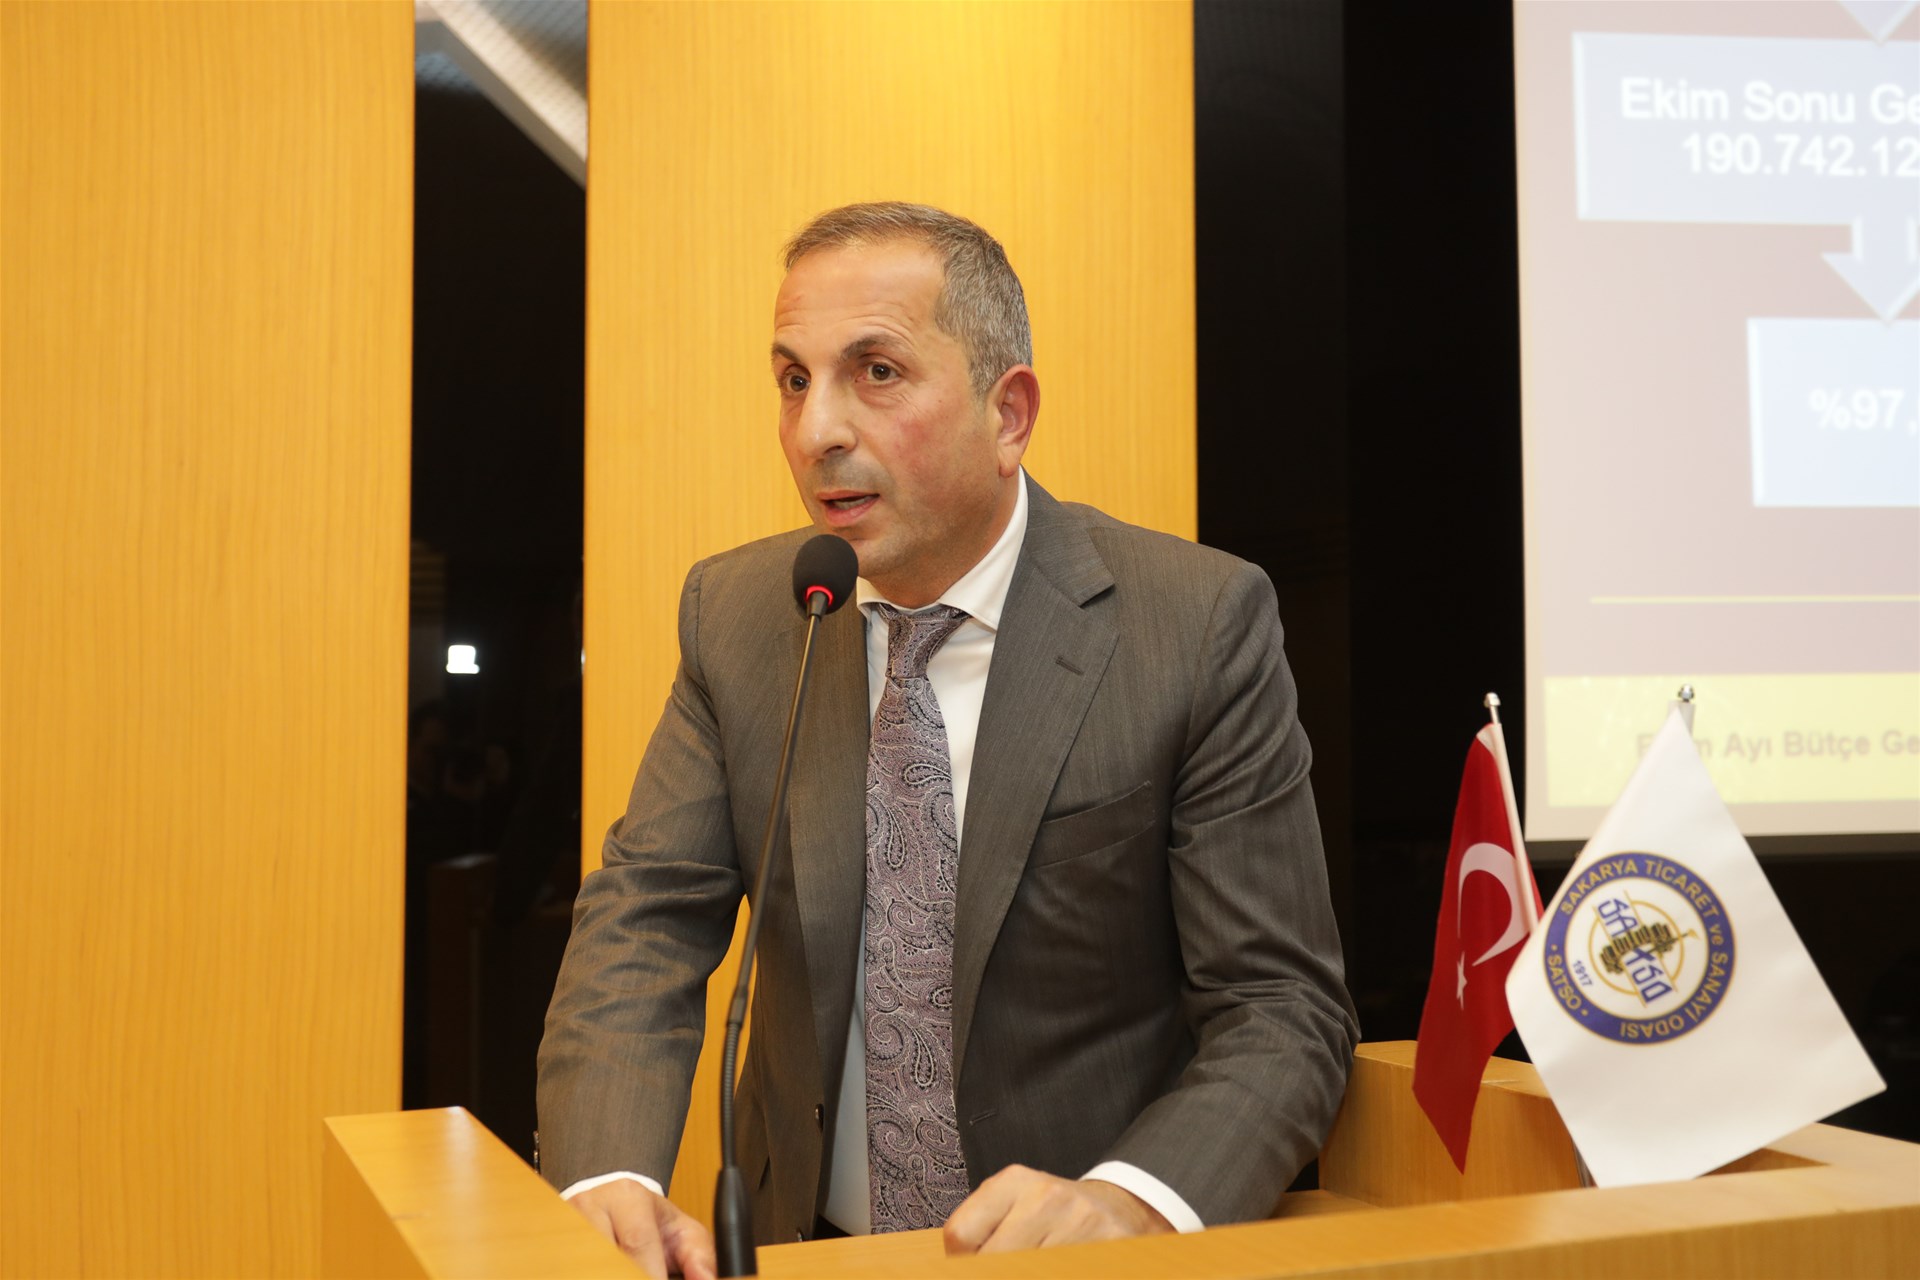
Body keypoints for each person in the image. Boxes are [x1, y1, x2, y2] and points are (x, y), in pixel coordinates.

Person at [538, 202, 1357, 1280]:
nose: (816, 430)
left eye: (875, 372)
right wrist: (607, 1180)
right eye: (793, 379)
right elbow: (645, 917)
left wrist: (1135, 1200)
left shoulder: (1192, 625)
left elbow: (1281, 1006)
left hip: (1078, 1263)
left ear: (1008, 413)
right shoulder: (743, 617)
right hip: (811, 1253)